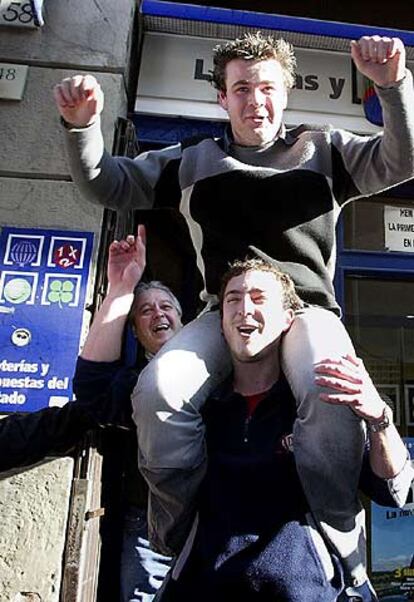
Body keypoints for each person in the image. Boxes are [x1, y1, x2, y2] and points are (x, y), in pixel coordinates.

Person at [53, 31, 414, 588]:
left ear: (286, 92)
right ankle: (174, 530)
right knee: (158, 391)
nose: (255, 101)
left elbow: (401, 159)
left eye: (266, 87)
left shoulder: (327, 150)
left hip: (307, 310)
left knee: (330, 387)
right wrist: (82, 127)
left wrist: (393, 87)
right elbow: (108, 184)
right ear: (221, 98)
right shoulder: (192, 161)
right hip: (221, 310)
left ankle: (340, 537)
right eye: (240, 88)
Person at [156, 258, 414, 602]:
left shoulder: (324, 404)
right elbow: (96, 400)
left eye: (259, 298)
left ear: (289, 319)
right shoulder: (196, 409)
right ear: (220, 323)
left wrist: (380, 419)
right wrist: (117, 297)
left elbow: (392, 491)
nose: (244, 308)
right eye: (233, 299)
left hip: (308, 592)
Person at [0, 226, 182, 602]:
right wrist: (119, 290)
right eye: (145, 311)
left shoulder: (218, 374)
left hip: (209, 523)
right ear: (135, 331)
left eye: (166, 307)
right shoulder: (129, 387)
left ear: (184, 319)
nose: (157, 314)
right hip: (147, 528)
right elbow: (88, 397)